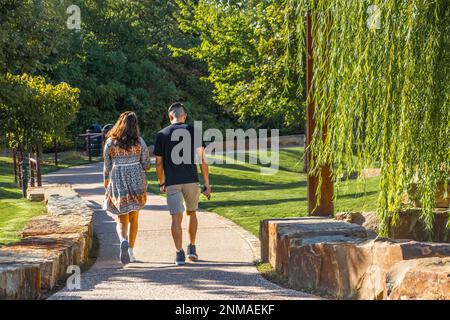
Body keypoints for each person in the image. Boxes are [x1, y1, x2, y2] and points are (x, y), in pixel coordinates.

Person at [153, 102, 211, 266]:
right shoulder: (194, 131)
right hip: (191, 180)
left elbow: (158, 163)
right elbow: (203, 160)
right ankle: (192, 247)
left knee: (175, 218)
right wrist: (207, 183)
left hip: (172, 182)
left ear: (170, 116)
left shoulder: (162, 134)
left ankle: (179, 253)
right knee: (191, 213)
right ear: (184, 116)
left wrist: (161, 181)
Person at [103, 111, 151, 264]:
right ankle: (131, 251)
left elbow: (107, 166)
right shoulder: (139, 141)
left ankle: (123, 240)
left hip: (118, 181)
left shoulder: (110, 142)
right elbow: (146, 164)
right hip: (137, 181)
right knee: (134, 219)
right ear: (135, 125)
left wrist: (106, 182)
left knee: (121, 219)